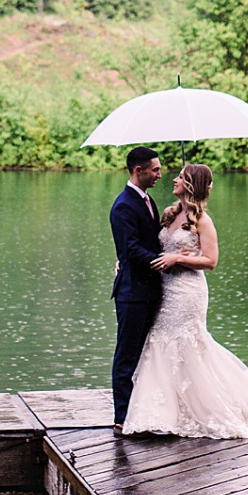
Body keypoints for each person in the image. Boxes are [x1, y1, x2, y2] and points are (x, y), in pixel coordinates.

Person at [122, 163, 248, 439]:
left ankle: (203, 405)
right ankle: (163, 411)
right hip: (165, 289)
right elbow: (151, 248)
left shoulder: (203, 221)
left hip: (188, 292)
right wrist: (126, 263)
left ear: (191, 184)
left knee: (186, 342)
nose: (174, 179)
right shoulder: (170, 213)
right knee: (160, 341)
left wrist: (178, 258)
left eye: (180, 177)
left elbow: (211, 261)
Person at [108, 145, 167, 434]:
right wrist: (165, 262)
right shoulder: (123, 206)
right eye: (155, 170)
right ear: (138, 170)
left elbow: (151, 239)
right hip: (132, 294)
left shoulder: (148, 201)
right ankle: (122, 417)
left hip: (151, 291)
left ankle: (143, 412)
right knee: (127, 355)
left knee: (150, 355)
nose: (159, 174)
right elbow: (130, 249)